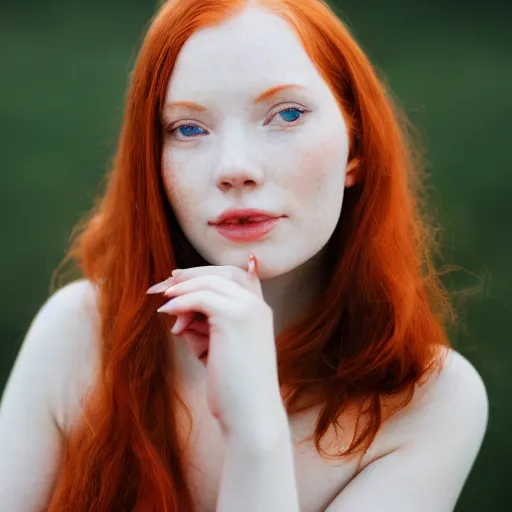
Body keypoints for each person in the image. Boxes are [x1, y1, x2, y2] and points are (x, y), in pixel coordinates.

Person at [0, 0, 489, 511]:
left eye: (287, 114)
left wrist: (255, 431)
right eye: (188, 128)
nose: (235, 168)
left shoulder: (430, 401)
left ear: (355, 147)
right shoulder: (80, 336)